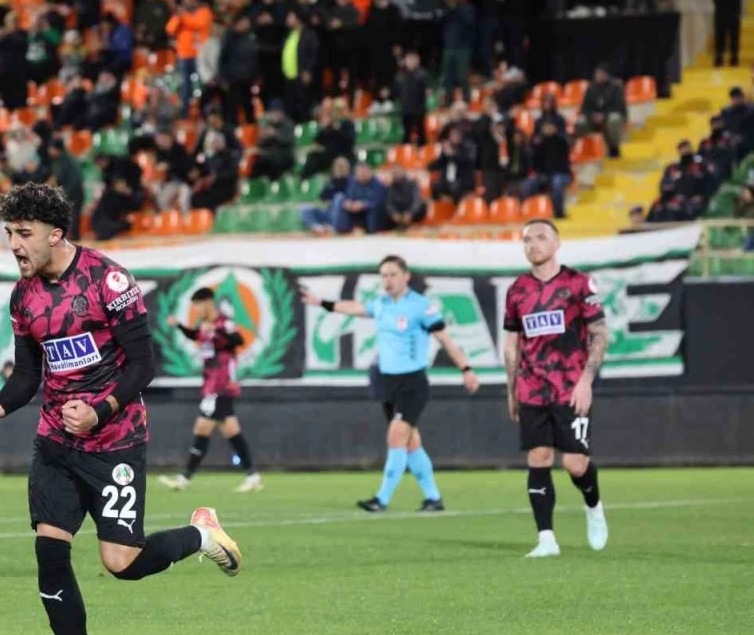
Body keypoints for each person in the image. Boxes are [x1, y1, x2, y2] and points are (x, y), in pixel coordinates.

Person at [0, 183, 243, 635]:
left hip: (115, 440)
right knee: (50, 551)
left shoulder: (107, 280)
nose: (14, 245)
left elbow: (143, 365)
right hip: (55, 442)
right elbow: (28, 373)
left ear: (55, 234)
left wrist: (99, 410)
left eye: (24, 233)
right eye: (9, 233)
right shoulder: (23, 295)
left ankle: (202, 535)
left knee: (122, 564)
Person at [301, 256, 480, 513]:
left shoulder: (421, 306)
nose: (388, 280)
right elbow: (354, 308)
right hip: (388, 383)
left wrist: (466, 369)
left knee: (396, 436)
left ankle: (381, 499)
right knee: (411, 442)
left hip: (412, 383)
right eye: (384, 275)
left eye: (393, 274)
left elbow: (446, 340)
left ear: (406, 276)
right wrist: (321, 303)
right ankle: (433, 498)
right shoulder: (381, 304)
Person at [502, 219, 609, 558]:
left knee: (575, 464)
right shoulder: (517, 290)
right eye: (527, 239)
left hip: (570, 387)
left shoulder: (578, 283)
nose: (533, 244)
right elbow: (511, 343)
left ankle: (593, 505)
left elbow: (600, 334)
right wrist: (511, 389)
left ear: (557, 243)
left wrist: (586, 382)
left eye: (540, 237)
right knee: (539, 457)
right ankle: (546, 539)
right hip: (532, 387)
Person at [158, 287, 263, 493]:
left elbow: (238, 340)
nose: (196, 310)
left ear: (207, 303)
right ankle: (253, 477)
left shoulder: (224, 323)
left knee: (202, 428)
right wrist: (179, 325)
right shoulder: (205, 325)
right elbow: (196, 335)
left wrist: (215, 331)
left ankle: (184, 479)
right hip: (211, 385)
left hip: (221, 385)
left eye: (198, 306)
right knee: (231, 430)